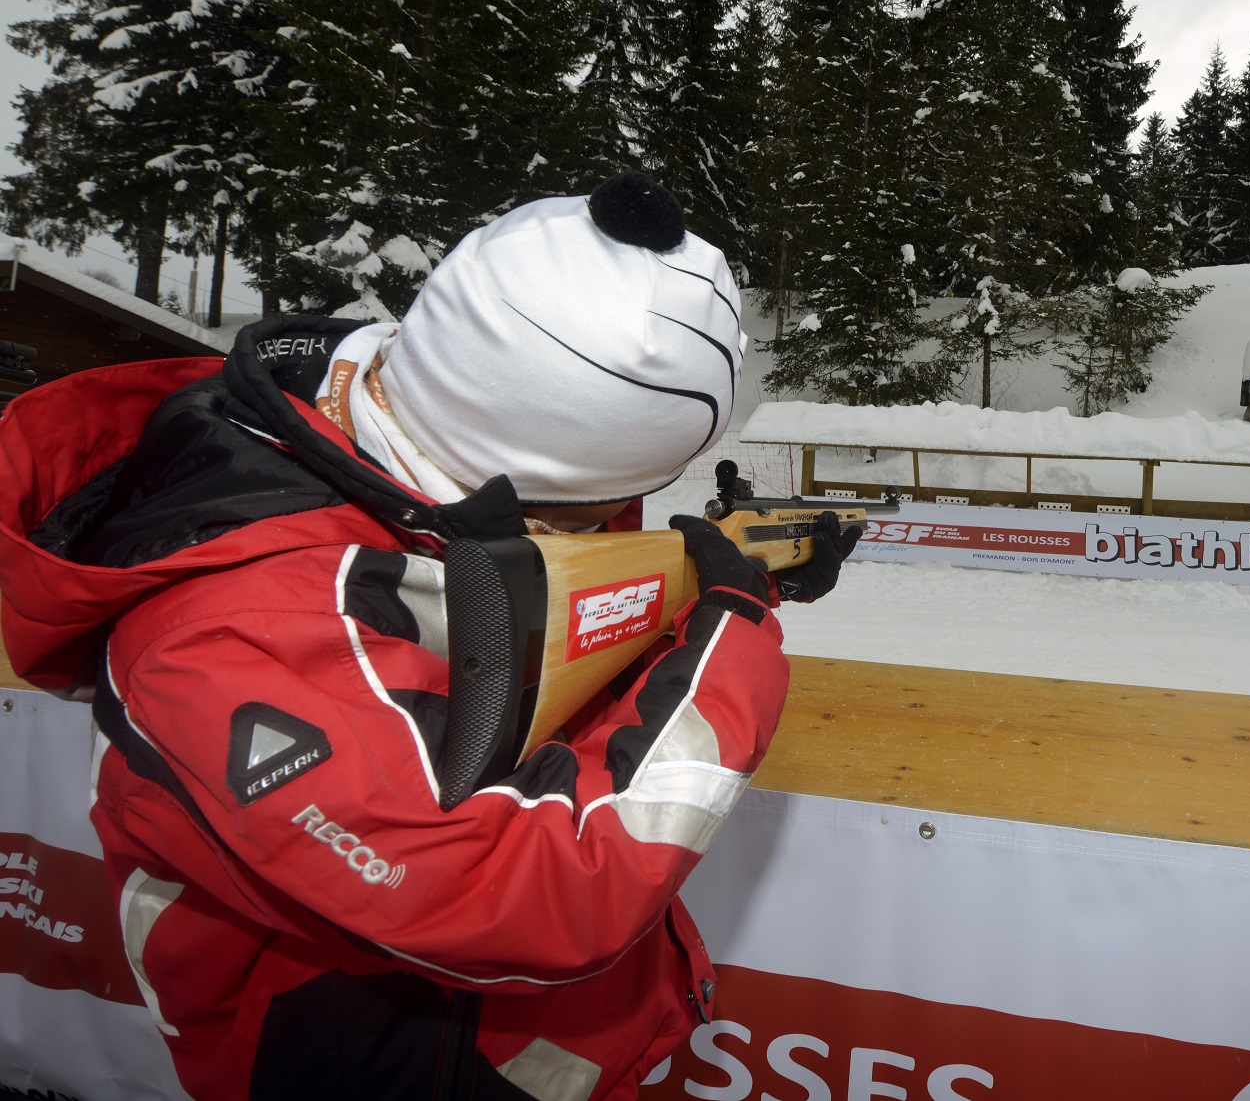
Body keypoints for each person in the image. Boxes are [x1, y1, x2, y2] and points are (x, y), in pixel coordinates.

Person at [0, 173, 858, 1100]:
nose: (603, 525)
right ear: (525, 472)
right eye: (597, 508)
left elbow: (535, 654)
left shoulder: (416, 472)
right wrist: (726, 630)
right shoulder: (227, 636)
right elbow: (530, 902)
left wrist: (698, 586)